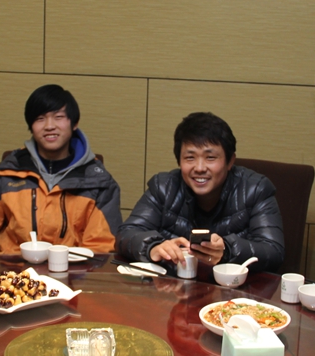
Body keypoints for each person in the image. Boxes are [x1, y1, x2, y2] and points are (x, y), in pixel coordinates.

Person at [0, 84, 121, 255]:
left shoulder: (99, 182)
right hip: (14, 269)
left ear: (74, 124)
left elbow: (101, 249)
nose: (49, 126)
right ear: (31, 126)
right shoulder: (5, 175)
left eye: (58, 117)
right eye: (40, 119)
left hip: (73, 270)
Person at [117, 112, 284, 273]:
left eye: (210, 158)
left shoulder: (255, 189)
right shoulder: (163, 187)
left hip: (231, 290)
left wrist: (227, 251)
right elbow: (126, 234)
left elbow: (273, 251)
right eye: (190, 158)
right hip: (172, 287)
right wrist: (152, 247)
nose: (199, 168)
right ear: (179, 161)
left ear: (230, 161)